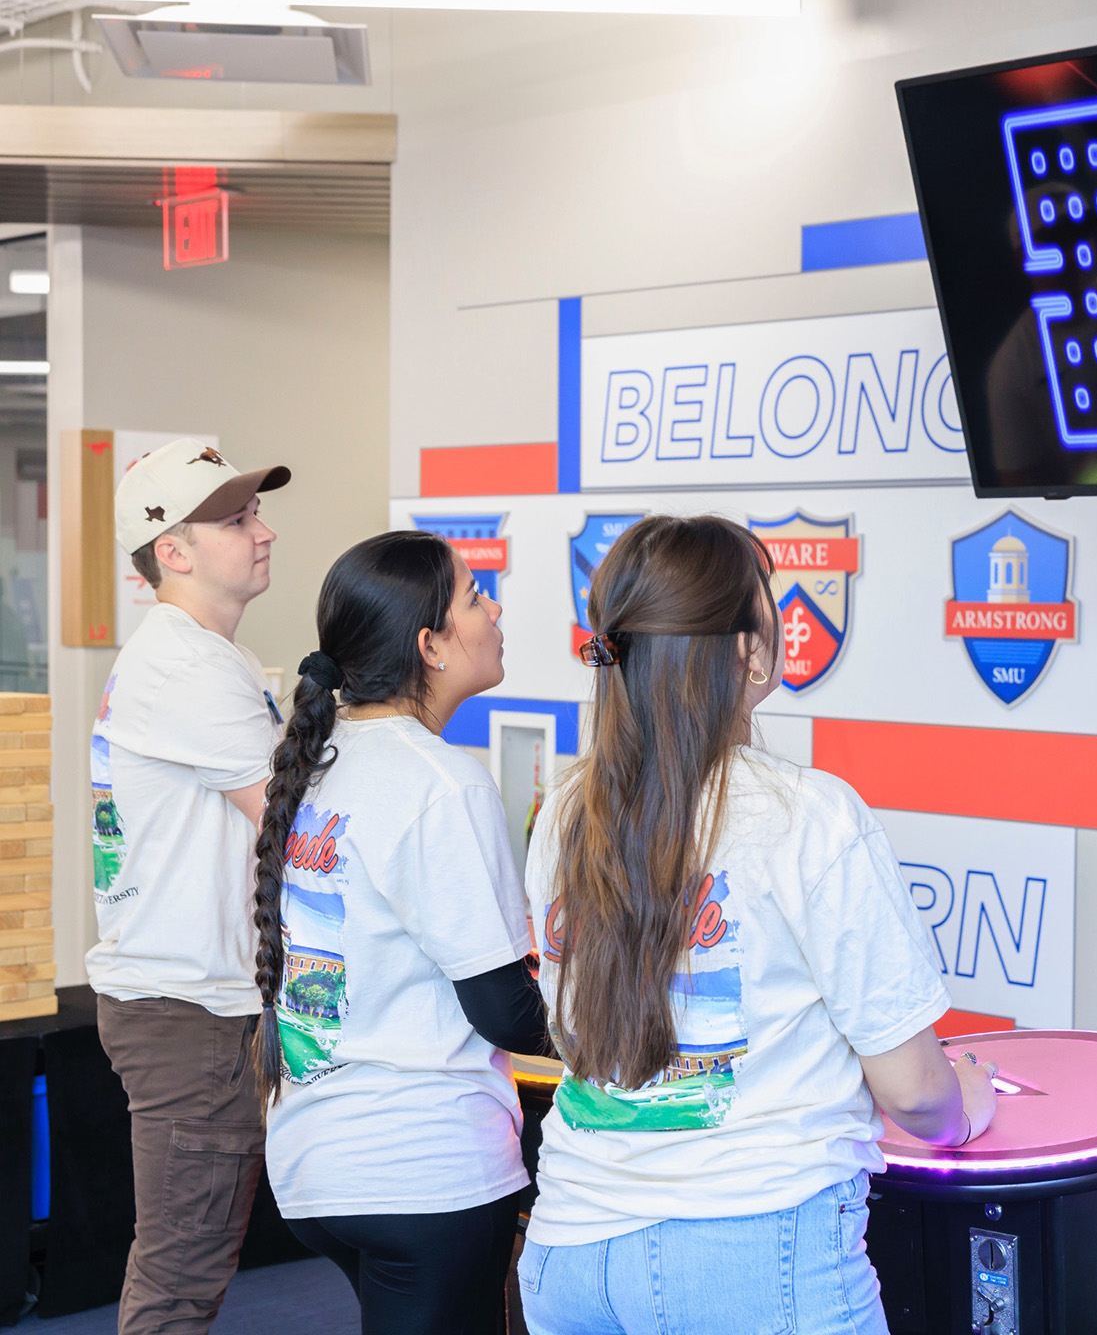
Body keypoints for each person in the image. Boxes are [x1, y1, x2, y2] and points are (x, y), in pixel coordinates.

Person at [517, 515, 998, 1335]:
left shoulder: (565, 809)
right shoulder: (807, 816)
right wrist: (968, 1106)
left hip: (569, 1257)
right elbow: (916, 1094)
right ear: (750, 651)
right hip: (755, 1251)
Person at [247, 530, 546, 1334]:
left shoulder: (320, 759)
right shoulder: (441, 782)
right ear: (430, 646)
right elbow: (504, 1010)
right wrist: (633, 1027)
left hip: (317, 1161)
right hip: (422, 1173)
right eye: (476, 597)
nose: (495, 610)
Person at [88, 438, 289, 1335]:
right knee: (180, 1276)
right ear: (172, 550)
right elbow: (301, 831)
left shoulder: (210, 658)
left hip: (192, 1001)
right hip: (190, 1011)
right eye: (238, 519)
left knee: (186, 1263)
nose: (264, 531)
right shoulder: (187, 668)